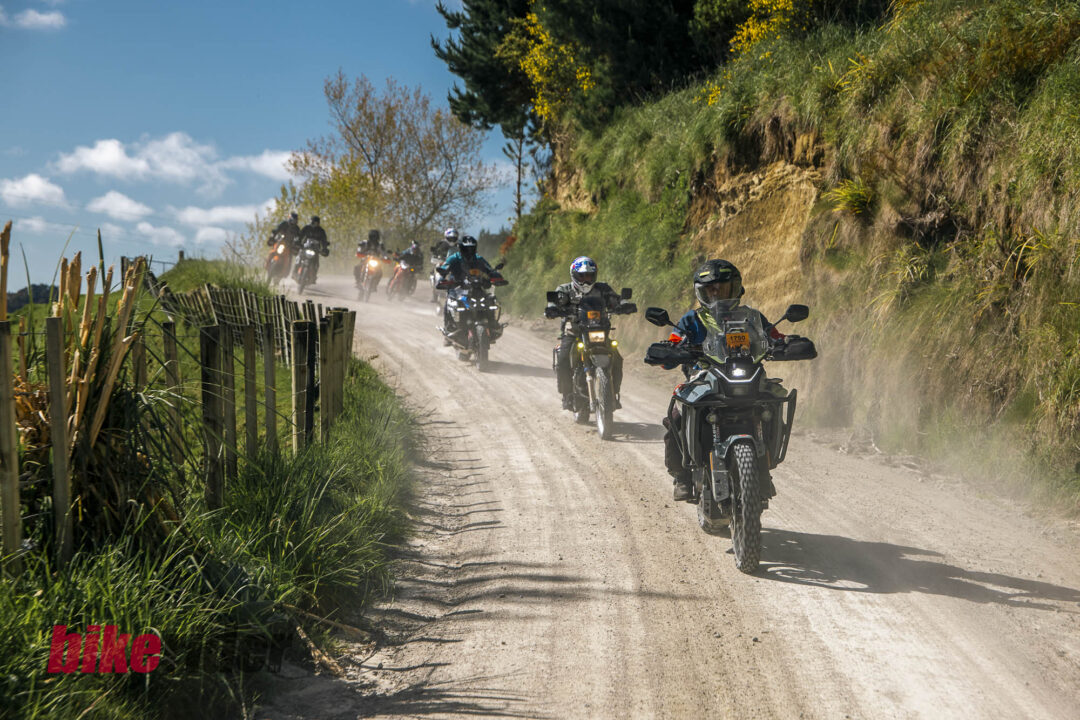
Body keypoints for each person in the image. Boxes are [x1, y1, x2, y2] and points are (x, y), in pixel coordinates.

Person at [657, 259, 786, 501]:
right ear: (701, 293)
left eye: (723, 288)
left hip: (748, 375)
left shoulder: (752, 317)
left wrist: (787, 344)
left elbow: (775, 336)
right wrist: (669, 349)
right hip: (703, 378)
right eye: (711, 290)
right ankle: (682, 476)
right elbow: (675, 341)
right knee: (676, 417)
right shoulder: (691, 320)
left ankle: (762, 468)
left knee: (771, 403)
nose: (717, 294)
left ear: (735, 288)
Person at [543, 256, 629, 411]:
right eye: (582, 276)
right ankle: (567, 395)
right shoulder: (565, 289)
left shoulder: (603, 289)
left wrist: (624, 304)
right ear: (574, 275)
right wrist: (552, 308)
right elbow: (555, 301)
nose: (586, 280)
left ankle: (613, 394)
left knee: (617, 358)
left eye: (589, 275)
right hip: (573, 332)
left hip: (598, 332)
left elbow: (616, 300)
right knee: (563, 359)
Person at [436, 235, 505, 337]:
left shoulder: (478, 259)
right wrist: (442, 279)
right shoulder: (453, 258)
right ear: (461, 248)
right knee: (449, 301)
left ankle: (493, 324)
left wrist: (496, 277)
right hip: (457, 288)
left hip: (476, 288)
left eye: (471, 248)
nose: (469, 251)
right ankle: (449, 326)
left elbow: (489, 270)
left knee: (491, 300)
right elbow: (444, 268)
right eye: (466, 248)